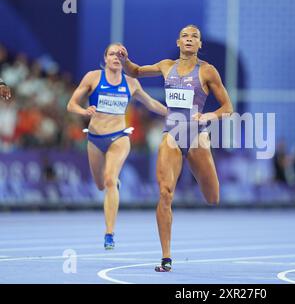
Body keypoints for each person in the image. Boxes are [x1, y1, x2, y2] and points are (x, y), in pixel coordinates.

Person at [116, 24, 233, 272]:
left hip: (197, 137)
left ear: (199, 45)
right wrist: (125, 60)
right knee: (165, 193)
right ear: (178, 42)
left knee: (212, 197)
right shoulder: (166, 65)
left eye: (194, 37)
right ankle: (166, 258)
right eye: (185, 36)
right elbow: (135, 71)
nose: (189, 40)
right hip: (171, 134)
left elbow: (228, 108)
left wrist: (209, 116)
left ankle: (206, 186)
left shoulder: (208, 71)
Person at [67, 43, 167, 250]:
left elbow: (151, 104)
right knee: (100, 185)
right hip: (94, 138)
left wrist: (175, 113)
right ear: (105, 59)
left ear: (124, 59)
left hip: (119, 137)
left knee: (110, 180)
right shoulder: (93, 78)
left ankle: (109, 233)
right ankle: (112, 185)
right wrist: (84, 111)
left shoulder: (131, 83)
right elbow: (71, 105)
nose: (115, 56)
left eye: (120, 54)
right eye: (111, 53)